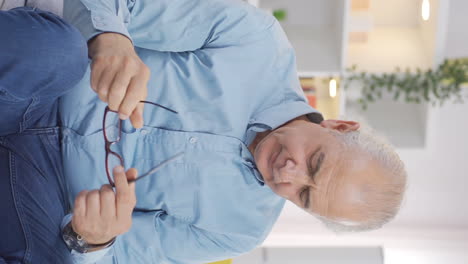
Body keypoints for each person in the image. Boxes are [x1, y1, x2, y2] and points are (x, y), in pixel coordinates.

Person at [0, 5, 87, 262]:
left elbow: (114, 254)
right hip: (42, 95)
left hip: (49, 186)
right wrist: (113, 39)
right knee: (58, 51)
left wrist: (97, 241)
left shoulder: (212, 237)